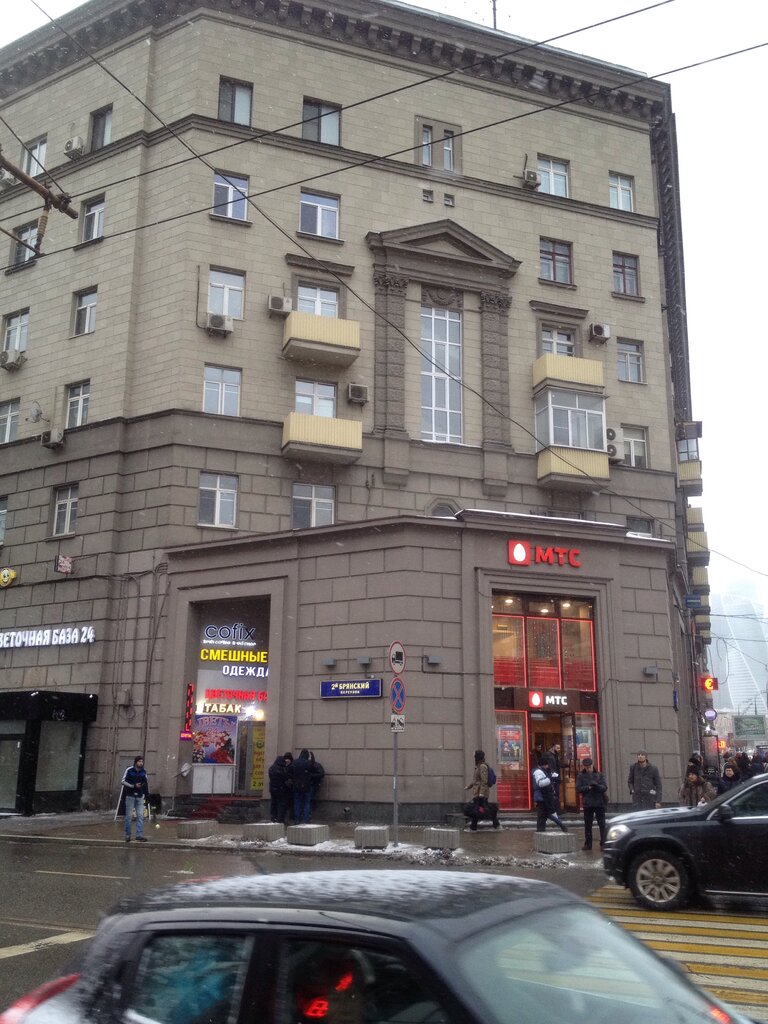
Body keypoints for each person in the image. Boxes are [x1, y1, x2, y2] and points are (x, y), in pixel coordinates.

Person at [575, 758, 608, 850]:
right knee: (588, 825)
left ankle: (603, 843)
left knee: (602, 824)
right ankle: (588, 844)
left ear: (592, 765)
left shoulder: (599, 774)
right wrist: (588, 787)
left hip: (599, 803)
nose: (588, 769)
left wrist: (597, 786)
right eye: (586, 767)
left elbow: (605, 787)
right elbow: (578, 789)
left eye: (589, 767)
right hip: (588, 803)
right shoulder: (581, 776)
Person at [532, 758, 568, 833]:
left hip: (543, 796)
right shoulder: (539, 772)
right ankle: (560, 825)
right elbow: (541, 783)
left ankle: (541, 830)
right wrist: (551, 778)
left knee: (544, 814)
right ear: (543, 765)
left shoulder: (542, 771)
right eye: (546, 765)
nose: (548, 766)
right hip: (542, 796)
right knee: (545, 814)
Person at [464, 749, 494, 831]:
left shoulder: (482, 766)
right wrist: (469, 787)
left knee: (476, 809)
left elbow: (484, 781)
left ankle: (473, 827)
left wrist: (481, 793)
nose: (474, 757)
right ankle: (474, 827)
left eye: (475, 756)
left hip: (480, 793)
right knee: (477, 809)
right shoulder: (478, 766)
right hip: (477, 792)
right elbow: (476, 780)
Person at [121, 755, 149, 842]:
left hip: (140, 796)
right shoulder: (129, 770)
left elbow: (146, 783)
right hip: (130, 795)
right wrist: (133, 786)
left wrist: (146, 794)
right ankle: (128, 834)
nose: (141, 763)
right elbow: (123, 781)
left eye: (142, 761)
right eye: (139, 761)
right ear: (136, 762)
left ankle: (139, 835)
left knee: (140, 815)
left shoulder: (144, 772)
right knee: (129, 816)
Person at [289, 749, 314, 824]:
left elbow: (290, 772)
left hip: (296, 786)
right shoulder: (308, 763)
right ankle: (306, 819)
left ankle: (297, 819)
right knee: (306, 803)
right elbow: (312, 768)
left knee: (297, 803)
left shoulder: (295, 762)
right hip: (306, 786)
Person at [268, 752, 293, 823]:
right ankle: (280, 819)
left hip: (272, 789)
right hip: (281, 789)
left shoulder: (271, 768)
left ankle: (273, 817)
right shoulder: (281, 769)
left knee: (274, 803)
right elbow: (285, 777)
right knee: (281, 804)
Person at [542, 743, 563, 809]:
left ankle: (556, 807)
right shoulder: (548, 754)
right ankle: (553, 808)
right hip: (551, 775)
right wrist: (550, 773)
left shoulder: (556, 755)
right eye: (557, 748)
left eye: (559, 748)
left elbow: (558, 764)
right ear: (553, 747)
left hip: (556, 775)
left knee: (557, 791)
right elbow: (546, 765)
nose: (559, 749)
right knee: (553, 791)